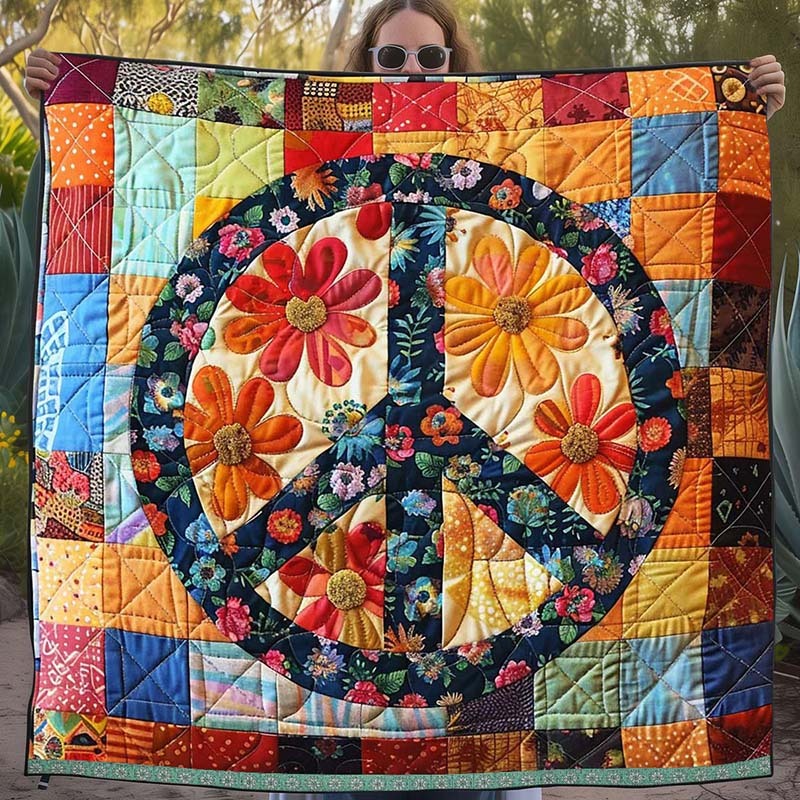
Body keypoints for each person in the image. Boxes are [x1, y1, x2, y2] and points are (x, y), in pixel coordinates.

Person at [22, 2, 786, 800]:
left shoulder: (509, 146)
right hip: (339, 566)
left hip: (479, 590)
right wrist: (75, 101)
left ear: (456, 63)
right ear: (365, 64)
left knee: (488, 758)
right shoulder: (311, 158)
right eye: (392, 59)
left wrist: (740, 112)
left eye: (431, 57)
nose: (414, 73)